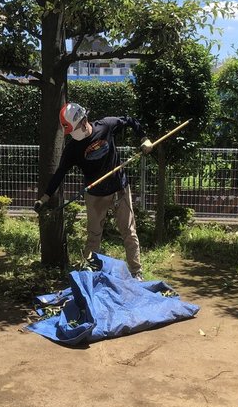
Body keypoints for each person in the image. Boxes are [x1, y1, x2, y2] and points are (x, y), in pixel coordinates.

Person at [35, 102, 153, 279]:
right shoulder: (73, 149)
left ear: (84, 121)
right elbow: (60, 173)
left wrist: (144, 138)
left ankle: (136, 272)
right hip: (95, 195)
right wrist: (44, 198)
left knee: (129, 232)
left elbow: (130, 120)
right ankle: (89, 276)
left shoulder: (106, 126)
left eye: (74, 130)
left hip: (119, 189)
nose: (74, 135)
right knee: (93, 236)